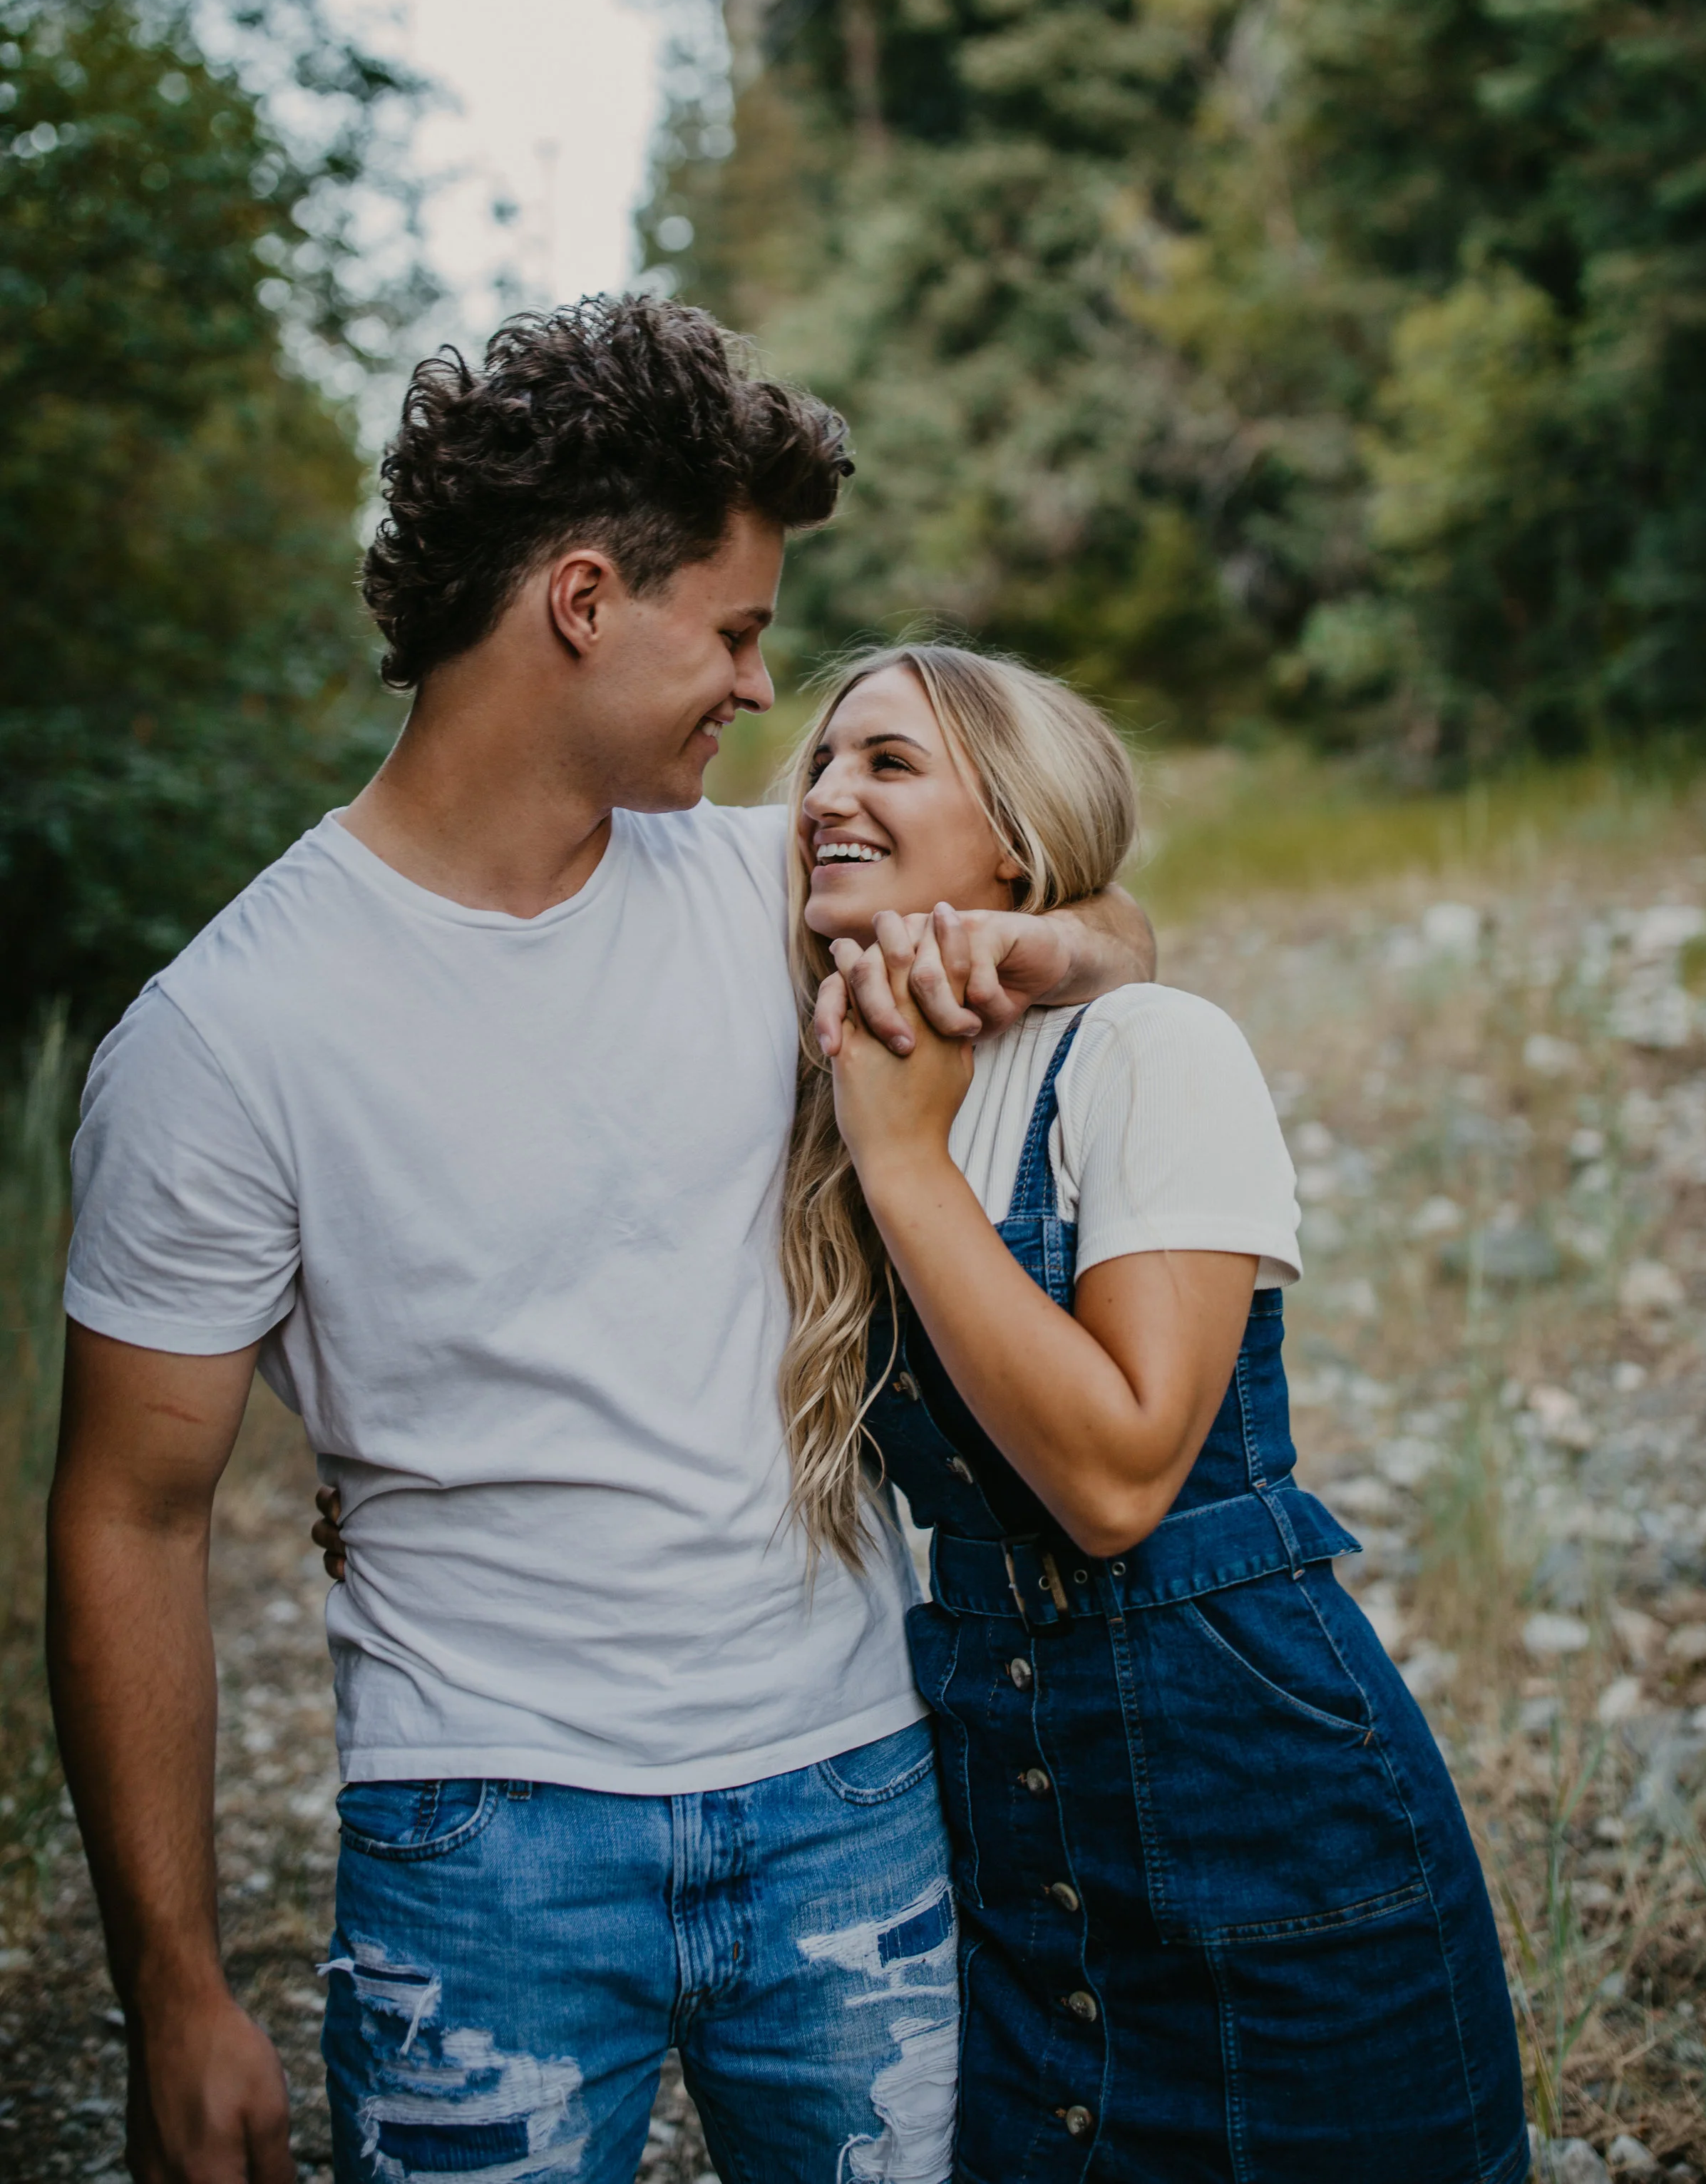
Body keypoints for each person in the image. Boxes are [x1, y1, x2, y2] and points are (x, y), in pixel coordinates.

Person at [46, 298, 1153, 2184]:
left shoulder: (757, 887)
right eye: (729, 630)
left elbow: (1116, 922)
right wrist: (176, 1987)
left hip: (847, 1794)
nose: (754, 690)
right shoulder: (227, 1036)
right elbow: (125, 1514)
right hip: (479, 1843)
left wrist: (1036, 951)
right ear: (579, 600)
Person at [776, 643, 1531, 2184]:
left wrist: (907, 1167)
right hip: (1013, 1843)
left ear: (1015, 839)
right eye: (818, 763)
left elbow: (1118, 1480)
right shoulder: (842, 1078)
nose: (822, 795)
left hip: (1261, 1810)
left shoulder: (1145, 1051)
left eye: (886, 762)